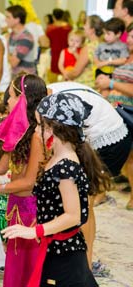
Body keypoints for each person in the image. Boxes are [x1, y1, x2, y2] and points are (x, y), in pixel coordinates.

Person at [2, 92, 111, 286]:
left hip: (65, 255)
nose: (36, 130)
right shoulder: (56, 158)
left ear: (53, 129)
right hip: (55, 248)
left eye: (39, 125)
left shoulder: (66, 167)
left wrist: (34, 231)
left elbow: (73, 216)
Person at [0, 74, 47, 287]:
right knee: (14, 269)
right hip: (16, 206)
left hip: (32, 210)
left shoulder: (36, 136)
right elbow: (1, 167)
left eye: (12, 97)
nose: (8, 102)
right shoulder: (18, 130)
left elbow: (29, 183)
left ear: (24, 98)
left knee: (30, 270)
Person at [48, 81, 132, 268]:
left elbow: (71, 142)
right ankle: (84, 260)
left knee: (83, 204)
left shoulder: (59, 103)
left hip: (110, 142)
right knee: (84, 203)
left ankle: (85, 264)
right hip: (101, 137)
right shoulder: (51, 92)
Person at [96, 21, 133, 209]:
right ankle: (101, 190)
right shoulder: (126, 58)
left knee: (122, 152)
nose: (130, 40)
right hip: (116, 109)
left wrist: (111, 84)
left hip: (129, 112)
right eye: (130, 36)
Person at [65, 15, 104, 88]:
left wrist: (67, 74)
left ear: (92, 29)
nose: (83, 26)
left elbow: (75, 72)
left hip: (85, 86)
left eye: (86, 24)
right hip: (97, 85)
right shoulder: (102, 44)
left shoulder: (89, 47)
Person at [94, 18, 128, 88]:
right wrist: (97, 63)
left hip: (115, 73)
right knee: (100, 86)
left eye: (108, 34)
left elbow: (123, 60)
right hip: (101, 71)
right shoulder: (101, 45)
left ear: (118, 34)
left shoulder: (123, 46)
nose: (105, 36)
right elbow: (95, 55)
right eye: (104, 33)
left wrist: (107, 62)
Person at [6, 5, 37, 77]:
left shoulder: (26, 38)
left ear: (17, 20)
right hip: (15, 76)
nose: (5, 20)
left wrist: (5, 46)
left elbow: (13, 62)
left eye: (8, 17)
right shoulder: (11, 35)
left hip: (26, 80)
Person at [46, 8, 73, 83]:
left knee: (54, 77)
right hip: (67, 54)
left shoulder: (50, 28)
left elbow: (47, 42)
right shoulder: (69, 28)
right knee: (66, 74)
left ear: (53, 17)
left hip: (54, 54)